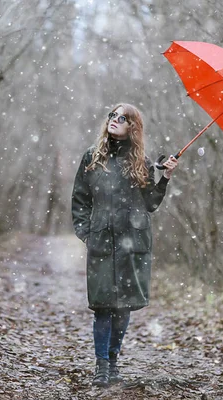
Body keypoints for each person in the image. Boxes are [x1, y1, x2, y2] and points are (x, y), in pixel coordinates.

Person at [71, 103, 178, 387]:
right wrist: (87, 233)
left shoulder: (141, 162)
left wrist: (165, 177)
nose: (115, 120)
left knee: (123, 308)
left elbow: (151, 203)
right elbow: (80, 200)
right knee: (103, 306)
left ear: (133, 126)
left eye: (122, 118)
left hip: (134, 245)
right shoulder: (91, 159)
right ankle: (101, 366)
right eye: (112, 116)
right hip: (102, 242)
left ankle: (114, 360)